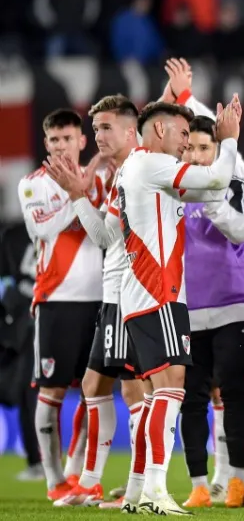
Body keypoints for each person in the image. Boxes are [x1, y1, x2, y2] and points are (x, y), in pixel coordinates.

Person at [115, 97, 242, 514]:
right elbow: (219, 179)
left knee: (156, 395)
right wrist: (230, 140)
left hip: (140, 293)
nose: (187, 143)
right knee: (172, 390)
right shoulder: (151, 164)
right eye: (183, 134)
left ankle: (138, 491)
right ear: (159, 131)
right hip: (160, 291)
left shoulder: (133, 167)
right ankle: (155, 490)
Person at [42, 95, 148, 510]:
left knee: (134, 390)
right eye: (97, 127)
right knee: (94, 385)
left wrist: (76, 195)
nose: (98, 136)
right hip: (114, 294)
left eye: (105, 128)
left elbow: (110, 239)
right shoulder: (124, 172)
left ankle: (140, 487)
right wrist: (80, 194)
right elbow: (107, 236)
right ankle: (89, 482)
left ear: (128, 130)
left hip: (128, 294)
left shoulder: (136, 169)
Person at [169, 82, 244, 510]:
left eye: (205, 148)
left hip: (232, 303)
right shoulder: (173, 188)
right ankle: (200, 485)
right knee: (193, 400)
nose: (195, 155)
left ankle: (236, 480)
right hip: (188, 309)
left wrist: (213, 198)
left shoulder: (232, 180)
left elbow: (243, 231)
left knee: (235, 393)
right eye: (191, 149)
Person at [17, 108, 106, 501]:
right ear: (46, 143)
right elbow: (42, 228)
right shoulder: (33, 185)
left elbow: (105, 235)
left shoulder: (101, 179)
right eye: (54, 140)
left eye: (68, 138)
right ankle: (54, 481)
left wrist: (85, 189)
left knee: (95, 392)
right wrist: (77, 194)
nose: (61, 146)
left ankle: (76, 472)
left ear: (82, 141)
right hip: (55, 299)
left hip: (101, 300)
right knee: (50, 392)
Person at [0, 222, 43, 483]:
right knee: (30, 394)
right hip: (17, 321)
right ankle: (37, 462)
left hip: (24, 324)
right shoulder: (17, 234)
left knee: (30, 394)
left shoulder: (15, 234)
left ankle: (37, 462)